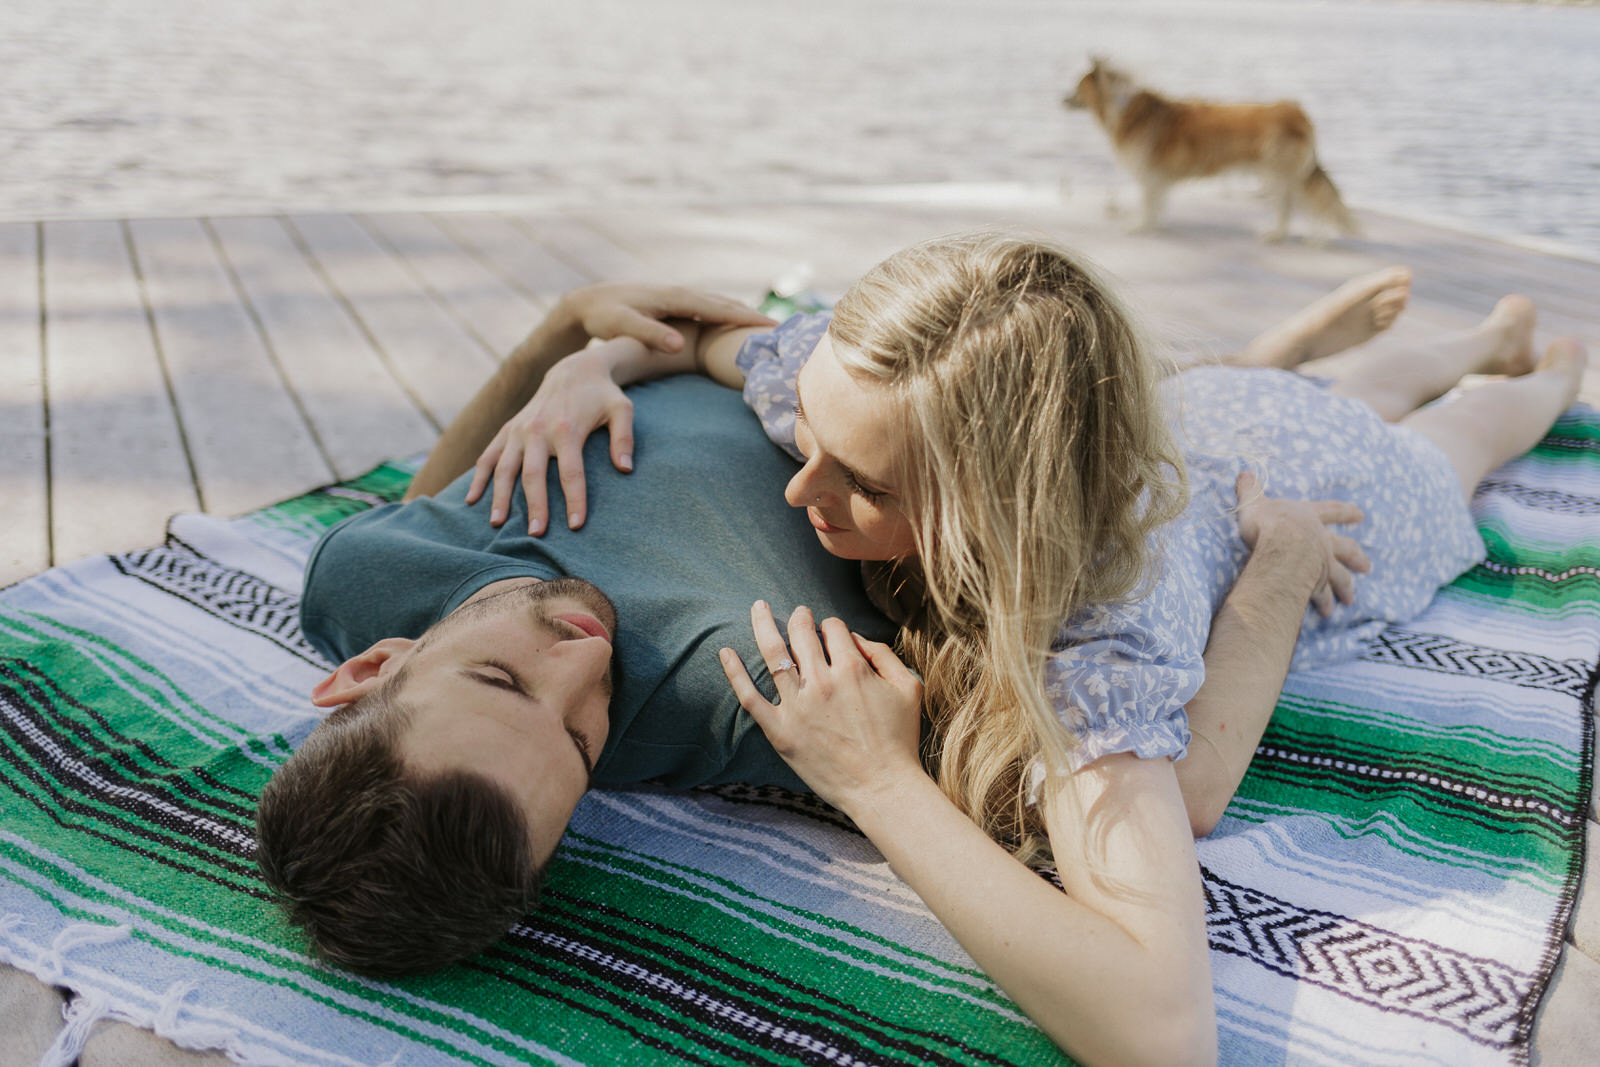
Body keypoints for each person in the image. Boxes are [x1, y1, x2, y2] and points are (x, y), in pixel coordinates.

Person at [473, 232, 1586, 1065]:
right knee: (1345, 391)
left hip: (1318, 500)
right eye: (810, 434)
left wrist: (874, 777)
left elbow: (1161, 1030)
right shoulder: (865, 394)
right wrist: (588, 367)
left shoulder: (1096, 614)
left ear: (1003, 516)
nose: (802, 485)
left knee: (1455, 435)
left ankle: (1535, 368)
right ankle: (1454, 339)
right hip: (1209, 412)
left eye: (864, 485)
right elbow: (703, 339)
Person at [253, 286, 910, 975]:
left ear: (372, 666)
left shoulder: (352, 576)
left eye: (498, 676)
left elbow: (433, 500)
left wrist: (563, 344)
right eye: (579, 740)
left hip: (669, 353)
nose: (588, 657)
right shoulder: (750, 694)